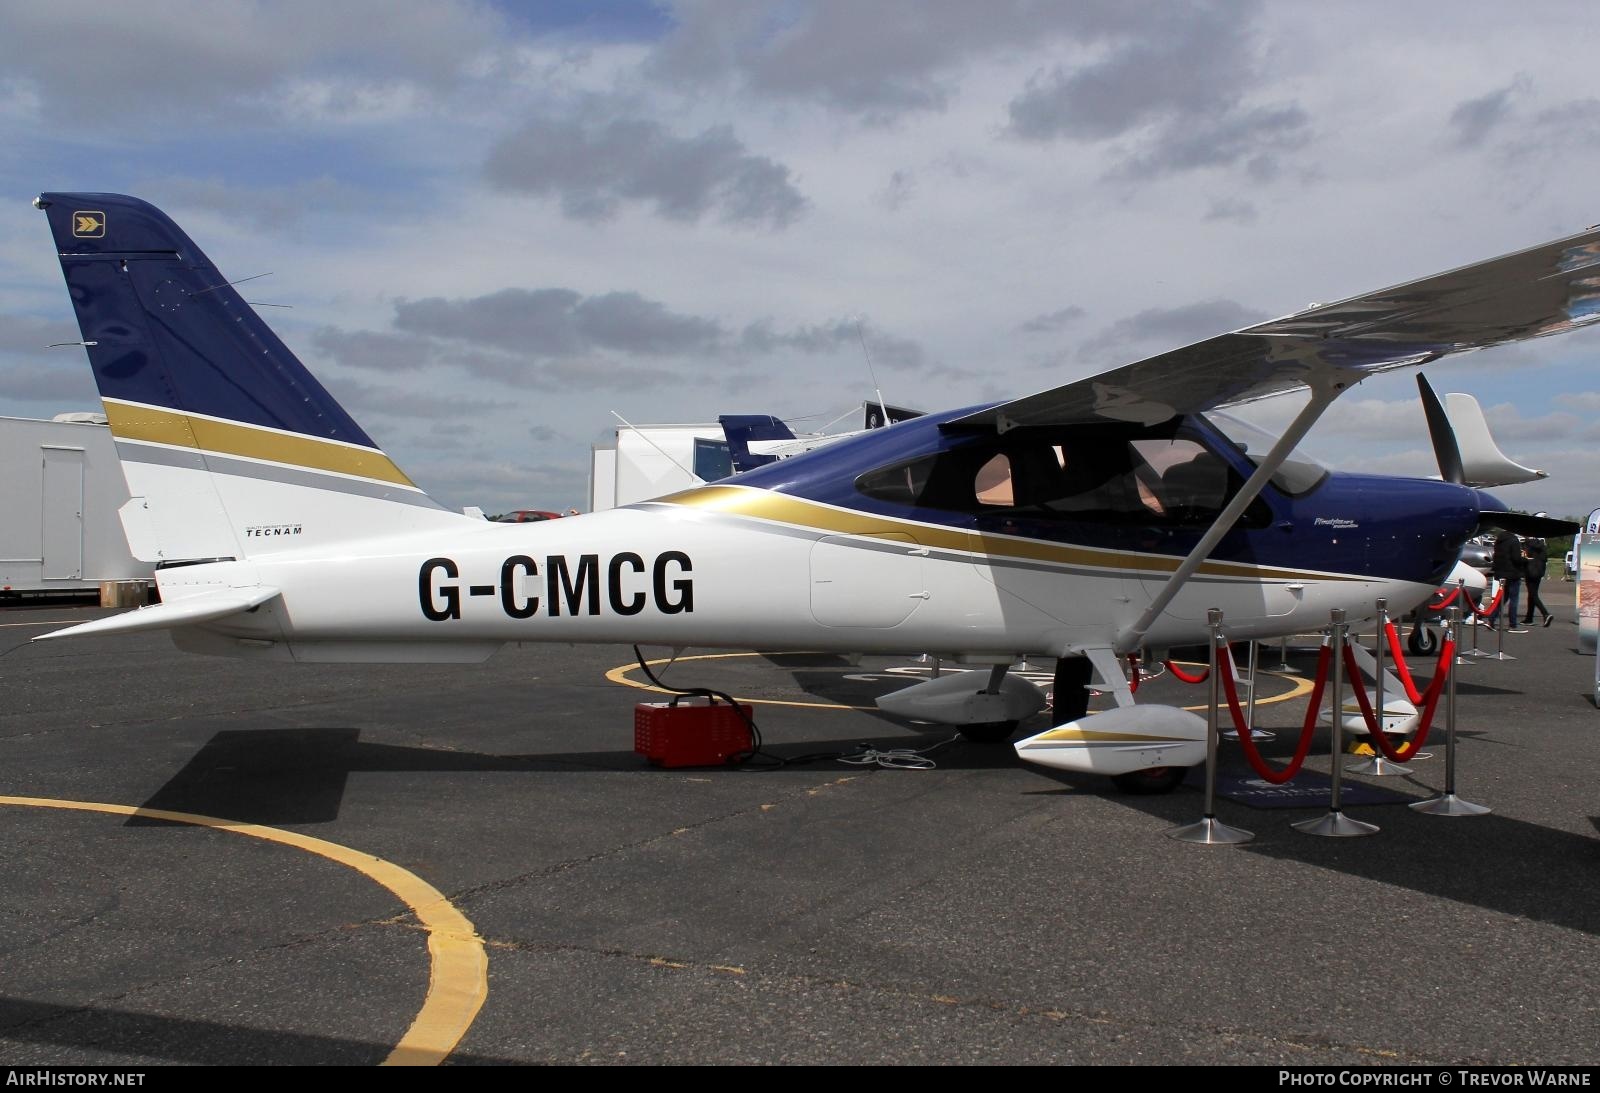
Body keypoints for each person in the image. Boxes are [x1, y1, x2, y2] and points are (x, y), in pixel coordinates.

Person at [1490, 529, 1525, 631]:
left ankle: (1491, 619)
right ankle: (1512, 624)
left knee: (1502, 598)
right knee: (1514, 599)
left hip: (1501, 572)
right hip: (1512, 573)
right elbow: (1516, 558)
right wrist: (1525, 560)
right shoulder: (1514, 540)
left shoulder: (1499, 540)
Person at [1523, 527, 1552, 627]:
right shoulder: (1541, 545)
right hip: (1539, 571)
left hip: (1530, 571)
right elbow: (1545, 558)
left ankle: (1545, 614)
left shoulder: (1527, 544)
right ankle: (1529, 618)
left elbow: (1525, 557)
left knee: (1533, 595)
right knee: (1532, 594)